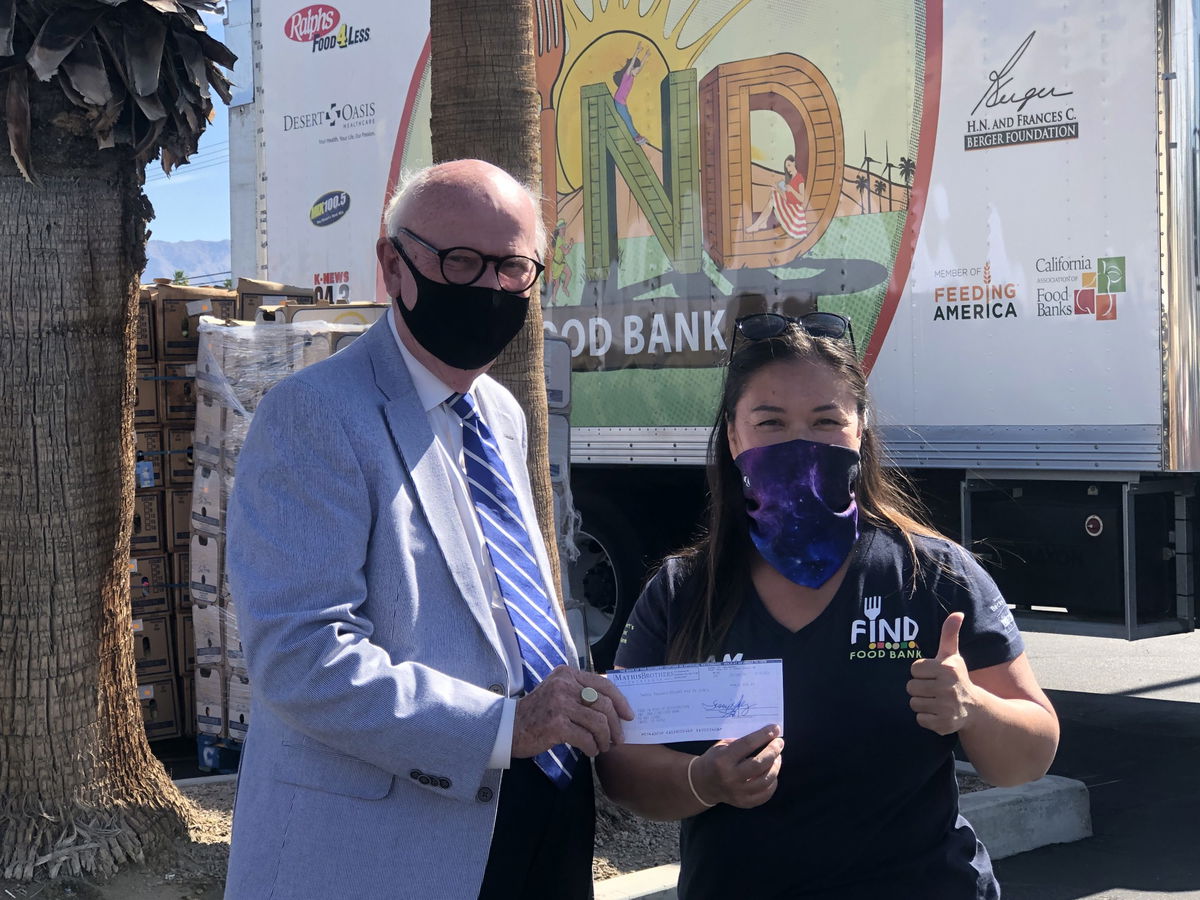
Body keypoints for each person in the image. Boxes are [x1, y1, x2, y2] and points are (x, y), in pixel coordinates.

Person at [223, 159, 633, 900]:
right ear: (393, 265)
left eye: (512, 268)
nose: (489, 288)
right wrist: (504, 728)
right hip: (392, 845)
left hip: (545, 807)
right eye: (461, 261)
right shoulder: (313, 415)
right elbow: (301, 655)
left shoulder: (501, 413)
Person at [596, 310, 1059, 899]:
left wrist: (973, 708)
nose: (801, 444)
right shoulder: (682, 591)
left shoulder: (935, 576)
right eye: (770, 422)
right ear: (734, 436)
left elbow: (1031, 755)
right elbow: (622, 768)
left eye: (825, 421)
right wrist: (702, 779)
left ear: (859, 429)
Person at [745, 154, 809, 238]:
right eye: (786, 167)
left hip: (795, 207)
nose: (788, 169)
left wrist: (792, 190)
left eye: (789, 165)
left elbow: (802, 199)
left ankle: (758, 224)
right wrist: (778, 189)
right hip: (789, 202)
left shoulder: (799, 178)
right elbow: (787, 197)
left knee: (773, 196)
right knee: (774, 193)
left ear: (794, 163)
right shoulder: (791, 179)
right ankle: (760, 223)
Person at [612, 43, 650, 145]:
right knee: (627, 120)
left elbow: (640, 68)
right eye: (636, 69)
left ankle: (636, 136)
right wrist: (637, 51)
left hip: (622, 102)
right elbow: (632, 64)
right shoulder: (627, 75)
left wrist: (645, 57)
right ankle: (636, 137)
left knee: (629, 118)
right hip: (619, 101)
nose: (638, 71)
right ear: (632, 68)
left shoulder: (633, 76)